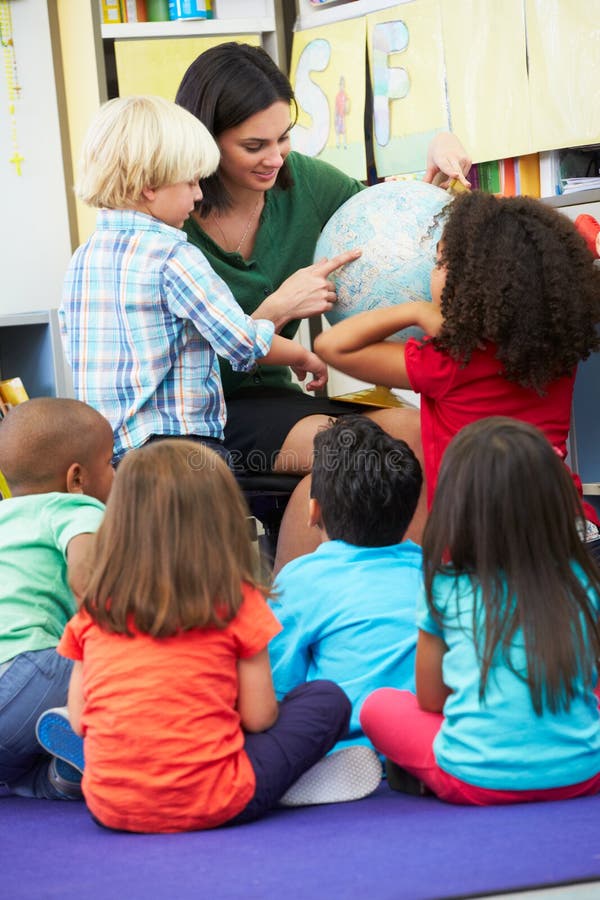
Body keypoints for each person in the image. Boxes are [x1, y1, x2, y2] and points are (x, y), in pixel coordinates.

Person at [174, 41, 472, 569]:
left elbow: (381, 226)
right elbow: (177, 364)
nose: (276, 158)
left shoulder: (304, 183)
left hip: (280, 401)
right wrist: (277, 308)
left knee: (415, 438)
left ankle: (413, 610)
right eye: (254, 145)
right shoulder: (171, 213)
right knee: (356, 457)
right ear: (205, 142)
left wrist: (434, 169)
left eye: (284, 137)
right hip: (205, 412)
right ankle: (301, 622)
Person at [34, 439, 375, 834]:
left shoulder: (96, 609)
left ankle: (131, 747)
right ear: (223, 518)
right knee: (325, 699)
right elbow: (260, 716)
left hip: (110, 806)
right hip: (217, 799)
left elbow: (78, 720)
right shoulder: (236, 600)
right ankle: (280, 778)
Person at [59, 94, 330, 467]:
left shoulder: (83, 258)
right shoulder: (173, 256)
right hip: (180, 454)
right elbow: (242, 341)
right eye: (190, 182)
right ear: (149, 186)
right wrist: (302, 355)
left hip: (111, 457)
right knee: (202, 528)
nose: (200, 193)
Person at [315, 190, 600, 525]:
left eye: (438, 261)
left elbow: (332, 345)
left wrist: (415, 310)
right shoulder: (557, 348)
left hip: (481, 541)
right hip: (567, 527)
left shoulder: (450, 361)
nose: (429, 272)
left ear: (472, 283)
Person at [360, 417, 600, 805]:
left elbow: (431, 700)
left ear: (458, 506)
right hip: (585, 774)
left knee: (380, 705)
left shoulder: (444, 587)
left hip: (474, 778)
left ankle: (424, 772)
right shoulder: (580, 580)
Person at [269, 415, 423, 765]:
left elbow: (277, 687)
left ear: (313, 511)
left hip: (337, 747)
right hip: (416, 739)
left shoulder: (299, 580)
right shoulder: (433, 573)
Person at [0, 397, 113, 800]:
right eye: (110, 461)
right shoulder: (73, 506)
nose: (114, 472)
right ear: (77, 477)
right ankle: (79, 726)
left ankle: (63, 771)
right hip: (28, 673)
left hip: (10, 707)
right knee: (131, 656)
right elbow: (89, 577)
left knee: (15, 777)